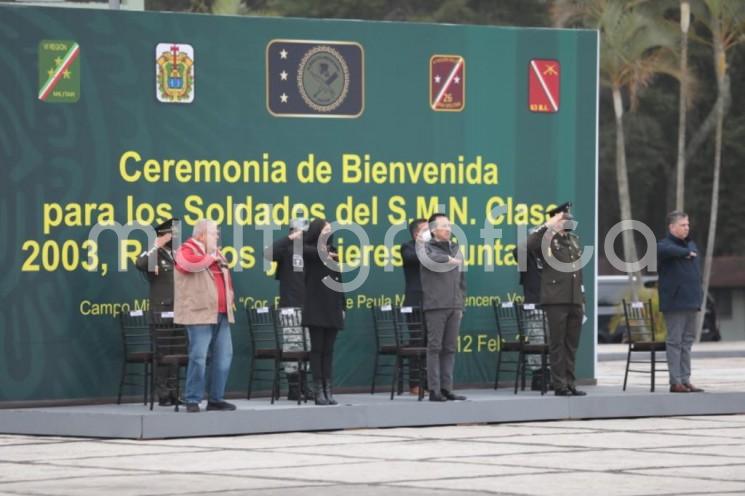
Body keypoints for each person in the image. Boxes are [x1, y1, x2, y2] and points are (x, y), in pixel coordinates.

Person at [174, 219, 236, 413]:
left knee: (224, 357)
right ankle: (192, 399)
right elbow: (186, 265)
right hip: (199, 313)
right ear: (201, 235)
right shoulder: (185, 250)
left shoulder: (216, 253)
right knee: (198, 357)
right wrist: (211, 258)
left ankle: (216, 399)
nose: (217, 236)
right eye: (214, 233)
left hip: (222, 313)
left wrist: (230, 297)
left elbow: (226, 279)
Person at [527, 202, 586, 396]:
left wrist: (582, 298)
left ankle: (570, 383)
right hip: (556, 299)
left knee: (571, 344)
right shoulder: (547, 240)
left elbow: (579, 271)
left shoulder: (574, 240)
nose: (568, 221)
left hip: (574, 299)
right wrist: (547, 225)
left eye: (569, 218)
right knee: (557, 344)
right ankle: (559, 385)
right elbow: (527, 245)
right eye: (563, 218)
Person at [418, 213, 467, 402]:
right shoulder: (425, 248)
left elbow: (462, 280)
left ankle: (447, 388)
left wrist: (461, 304)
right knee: (435, 347)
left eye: (449, 226)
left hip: (454, 305)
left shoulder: (455, 248)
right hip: (436, 305)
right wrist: (449, 260)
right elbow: (431, 259)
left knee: (450, 348)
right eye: (443, 226)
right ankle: (434, 389)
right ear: (433, 230)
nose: (448, 229)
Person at [657, 211, 704, 393]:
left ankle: (685, 379)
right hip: (675, 303)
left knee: (687, 342)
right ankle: (675, 381)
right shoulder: (664, 245)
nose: (687, 228)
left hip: (691, 301)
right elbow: (663, 250)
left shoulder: (691, 244)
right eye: (683, 225)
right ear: (672, 227)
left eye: (688, 225)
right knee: (675, 342)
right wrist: (685, 252)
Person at [263, 218, 310, 401]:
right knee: (292, 348)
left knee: (308, 348)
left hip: (310, 308)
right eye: (299, 231)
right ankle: (293, 388)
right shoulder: (285, 250)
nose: (302, 235)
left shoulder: (311, 251)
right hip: (290, 307)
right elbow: (267, 253)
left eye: (305, 231)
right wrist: (290, 238)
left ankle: (305, 386)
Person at [135, 218, 178, 406]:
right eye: (171, 233)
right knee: (163, 353)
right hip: (161, 311)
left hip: (180, 311)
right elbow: (140, 263)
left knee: (177, 354)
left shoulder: (178, 254)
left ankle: (175, 391)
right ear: (163, 235)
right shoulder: (156, 254)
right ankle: (162, 393)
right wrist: (155, 245)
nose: (175, 236)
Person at [302, 218, 345, 406]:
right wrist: (324, 252)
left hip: (333, 305)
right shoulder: (308, 250)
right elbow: (307, 252)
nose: (328, 233)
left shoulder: (333, 251)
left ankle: (328, 389)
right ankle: (318, 389)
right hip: (315, 306)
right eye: (325, 230)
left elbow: (339, 279)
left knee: (329, 350)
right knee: (317, 349)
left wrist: (343, 305)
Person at [400, 218, 428, 395]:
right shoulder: (408, 247)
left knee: (432, 343)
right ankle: (415, 384)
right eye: (426, 230)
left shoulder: (435, 248)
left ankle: (431, 382)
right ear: (417, 233)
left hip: (434, 301)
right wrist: (423, 245)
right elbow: (413, 259)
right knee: (417, 342)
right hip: (414, 302)